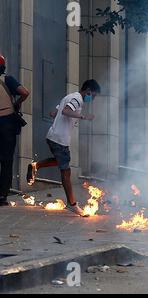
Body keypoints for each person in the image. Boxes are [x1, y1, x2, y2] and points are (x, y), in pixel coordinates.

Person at [26, 80, 101, 216]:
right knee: (66, 172)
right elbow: (66, 111)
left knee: (59, 161)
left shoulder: (69, 97)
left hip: (54, 136)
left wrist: (58, 116)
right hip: (59, 139)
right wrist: (83, 116)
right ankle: (72, 204)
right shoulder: (77, 99)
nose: (93, 99)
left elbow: (54, 113)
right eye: (93, 95)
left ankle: (36, 165)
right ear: (88, 90)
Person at [0, 54, 30, 206]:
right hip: (6, 123)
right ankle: (2, 196)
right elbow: (25, 92)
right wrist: (16, 104)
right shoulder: (8, 80)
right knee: (6, 160)